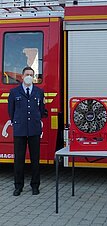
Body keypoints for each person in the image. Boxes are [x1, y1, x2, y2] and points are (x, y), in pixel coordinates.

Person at [8, 66, 45, 196]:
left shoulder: (39, 92)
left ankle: (35, 185)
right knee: (19, 159)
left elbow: (41, 110)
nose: (29, 76)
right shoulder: (14, 92)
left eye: (31, 74)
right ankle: (18, 186)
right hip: (20, 129)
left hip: (34, 129)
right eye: (27, 74)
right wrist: (17, 122)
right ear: (22, 76)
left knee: (35, 159)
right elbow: (11, 111)